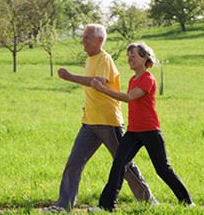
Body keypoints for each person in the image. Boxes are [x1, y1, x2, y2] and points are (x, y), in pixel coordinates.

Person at [44, 24, 156, 212]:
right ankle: (64, 205)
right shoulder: (90, 59)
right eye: (83, 37)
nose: (83, 40)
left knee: (124, 165)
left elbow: (97, 82)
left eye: (87, 37)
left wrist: (70, 77)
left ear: (99, 40)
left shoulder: (105, 59)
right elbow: (93, 89)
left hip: (108, 122)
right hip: (89, 122)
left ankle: (148, 200)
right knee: (74, 162)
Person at [90, 42, 195, 211]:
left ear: (145, 58)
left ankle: (187, 202)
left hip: (150, 131)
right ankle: (106, 206)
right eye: (128, 56)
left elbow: (129, 97)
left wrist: (102, 89)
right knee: (118, 165)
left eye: (134, 55)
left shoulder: (147, 79)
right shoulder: (133, 79)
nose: (130, 58)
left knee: (162, 169)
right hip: (133, 132)